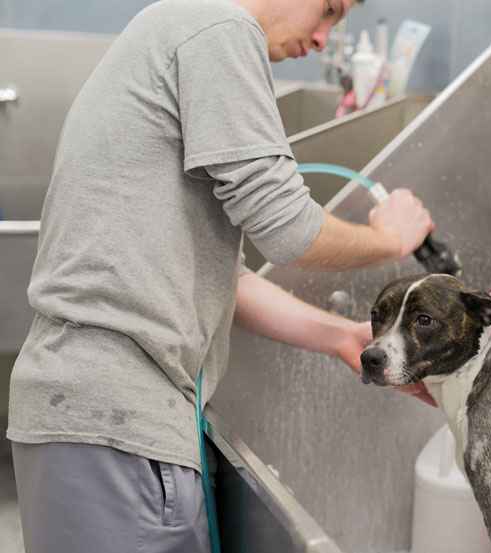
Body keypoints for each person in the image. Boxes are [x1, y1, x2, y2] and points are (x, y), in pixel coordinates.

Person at [6, 0, 435, 551]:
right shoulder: (218, 28)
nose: (326, 38)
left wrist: (339, 337)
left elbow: (221, 278)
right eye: (328, 9)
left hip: (78, 409)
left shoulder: (172, 26)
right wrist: (392, 240)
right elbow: (287, 228)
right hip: (119, 420)